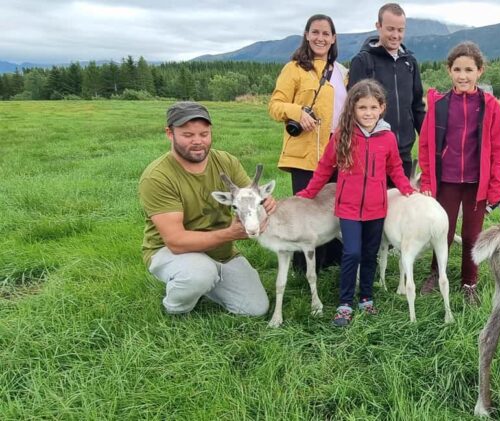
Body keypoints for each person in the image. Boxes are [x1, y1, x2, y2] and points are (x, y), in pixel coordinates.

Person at [296, 79, 416, 327]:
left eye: (373, 107)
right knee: (352, 253)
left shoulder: (388, 137)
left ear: (382, 107)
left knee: (370, 254)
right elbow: (325, 166)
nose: (368, 113)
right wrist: (308, 192)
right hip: (348, 208)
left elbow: (394, 168)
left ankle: (366, 298)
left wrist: (407, 189)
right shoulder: (342, 135)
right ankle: (345, 303)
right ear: (352, 108)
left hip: (376, 208)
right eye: (362, 108)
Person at [139, 101, 274, 316]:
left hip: (220, 251)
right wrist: (230, 233)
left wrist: (265, 203)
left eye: (204, 134)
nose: (198, 141)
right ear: (169, 133)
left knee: (256, 308)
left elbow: (250, 195)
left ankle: (205, 282)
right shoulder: (158, 177)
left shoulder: (226, 162)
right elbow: (175, 241)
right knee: (199, 273)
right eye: (188, 135)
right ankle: (175, 308)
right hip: (168, 251)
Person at [417, 41, 500, 306]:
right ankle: (437, 273)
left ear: (480, 71)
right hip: (445, 182)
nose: (463, 75)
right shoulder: (439, 104)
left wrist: (495, 187)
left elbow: (499, 150)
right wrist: (426, 180)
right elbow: (425, 145)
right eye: (457, 69)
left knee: (472, 235)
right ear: (449, 71)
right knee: (441, 231)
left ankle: (469, 282)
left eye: (469, 69)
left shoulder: (490, 106)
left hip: (475, 184)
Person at [268, 14, 347, 271]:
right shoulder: (294, 68)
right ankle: (304, 266)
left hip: (336, 151)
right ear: (306, 34)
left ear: (333, 38)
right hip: (305, 153)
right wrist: (297, 112)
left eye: (326, 34)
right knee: (306, 207)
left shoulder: (341, 72)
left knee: (333, 206)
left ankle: (332, 257)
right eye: (315, 32)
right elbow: (275, 106)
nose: (320, 38)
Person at [348, 3, 426, 179]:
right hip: (371, 154)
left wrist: (430, 140)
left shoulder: (410, 63)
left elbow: (417, 107)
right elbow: (353, 109)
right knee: (373, 206)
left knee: (401, 205)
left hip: (403, 155)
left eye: (400, 30)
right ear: (378, 26)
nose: (396, 35)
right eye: (390, 29)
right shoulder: (362, 62)